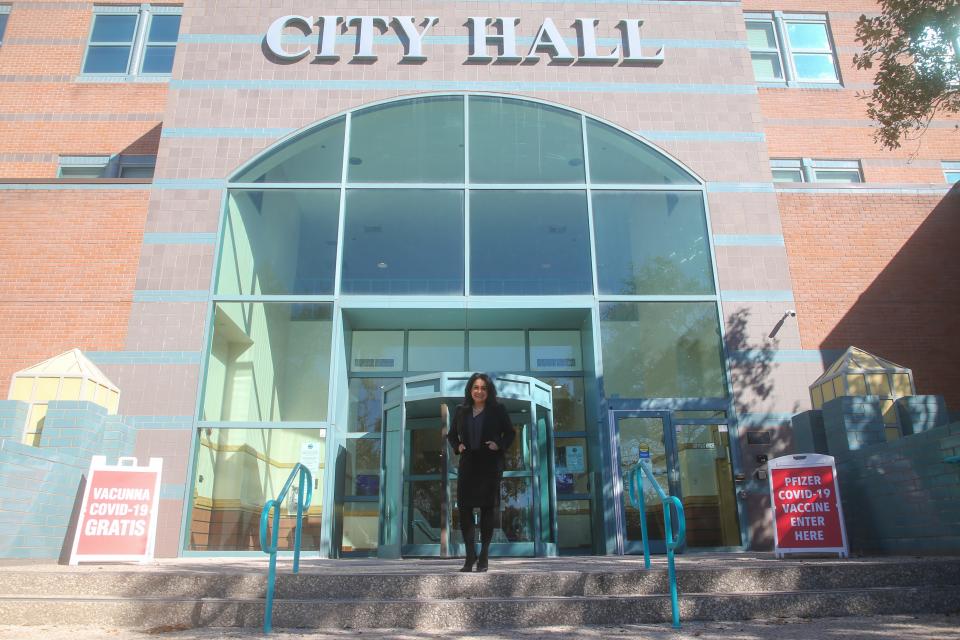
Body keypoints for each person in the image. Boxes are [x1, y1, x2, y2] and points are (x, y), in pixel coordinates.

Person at [447, 372, 515, 572]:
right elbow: (452, 435)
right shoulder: (461, 410)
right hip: (468, 466)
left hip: (489, 465)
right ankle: (470, 557)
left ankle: (483, 555)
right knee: (465, 510)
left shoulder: (498, 410)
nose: (479, 391)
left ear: (488, 391)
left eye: (483, 388)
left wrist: (499, 445)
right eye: (476, 387)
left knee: (487, 510)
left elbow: (510, 432)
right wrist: (457, 446)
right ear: (470, 390)